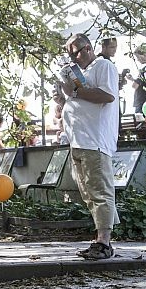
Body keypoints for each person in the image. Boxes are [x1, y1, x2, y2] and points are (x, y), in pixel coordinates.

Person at [59, 33, 120, 260]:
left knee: (100, 191)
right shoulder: (80, 73)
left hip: (95, 140)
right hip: (79, 141)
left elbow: (107, 96)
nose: (73, 58)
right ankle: (100, 237)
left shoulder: (102, 65)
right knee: (89, 193)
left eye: (75, 53)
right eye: (70, 54)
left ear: (88, 48)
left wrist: (74, 92)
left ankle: (105, 241)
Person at [126, 43, 146, 114]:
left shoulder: (145, 70)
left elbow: (135, 86)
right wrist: (132, 79)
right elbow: (144, 83)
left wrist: (133, 81)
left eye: (138, 57)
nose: (137, 60)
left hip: (142, 102)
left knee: (140, 123)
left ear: (144, 55)